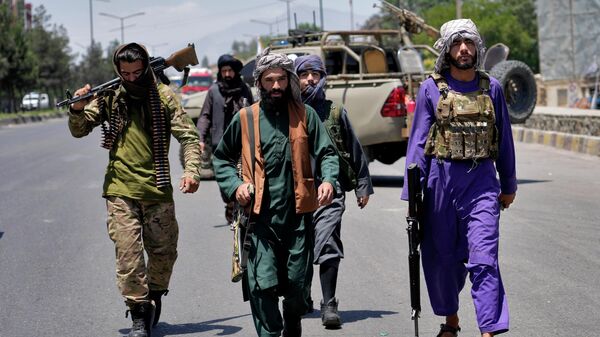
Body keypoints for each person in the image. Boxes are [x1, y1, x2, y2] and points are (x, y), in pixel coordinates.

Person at [68, 43, 201, 337]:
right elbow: (80, 129)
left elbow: (189, 137)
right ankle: (139, 312)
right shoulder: (110, 96)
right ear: (118, 70)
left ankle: (154, 295)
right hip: (121, 189)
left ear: (147, 69)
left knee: (164, 253)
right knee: (128, 257)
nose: (130, 78)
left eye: (137, 72)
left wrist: (192, 171)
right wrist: (77, 108)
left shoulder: (163, 96)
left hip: (158, 190)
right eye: (124, 73)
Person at [400, 19, 516, 337]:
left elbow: (503, 138)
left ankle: (489, 329)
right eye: (456, 43)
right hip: (440, 183)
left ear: (477, 48)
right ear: (447, 49)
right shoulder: (430, 88)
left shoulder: (491, 87)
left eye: (469, 43)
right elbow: (418, 147)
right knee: (442, 260)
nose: (463, 49)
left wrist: (508, 184)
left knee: (483, 258)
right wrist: (412, 196)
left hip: (481, 184)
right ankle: (451, 321)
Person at [212, 48, 339, 337]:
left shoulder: (305, 115)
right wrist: (236, 186)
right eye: (269, 80)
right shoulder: (245, 118)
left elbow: (328, 153)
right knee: (262, 287)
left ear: (289, 80)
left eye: (281, 79)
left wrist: (328, 180)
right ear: (260, 83)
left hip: (297, 223)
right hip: (259, 223)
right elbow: (221, 159)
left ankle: (293, 320)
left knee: (296, 288)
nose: (277, 86)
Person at [294, 55, 374, 328]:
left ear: (323, 77)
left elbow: (354, 150)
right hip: (295, 192)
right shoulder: (289, 112)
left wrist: (363, 186)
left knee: (327, 242)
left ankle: (329, 304)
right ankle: (302, 296)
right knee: (299, 247)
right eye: (304, 74)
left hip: (331, 189)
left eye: (315, 74)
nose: (310, 79)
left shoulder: (335, 111)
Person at [196, 54, 254, 224]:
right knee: (223, 181)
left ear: (236, 72)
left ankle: (241, 207)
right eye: (224, 71)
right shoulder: (214, 91)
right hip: (220, 145)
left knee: (243, 177)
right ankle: (230, 203)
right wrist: (200, 138)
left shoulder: (245, 90)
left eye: (230, 71)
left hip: (242, 144)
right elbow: (205, 116)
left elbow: (252, 113)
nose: (227, 74)